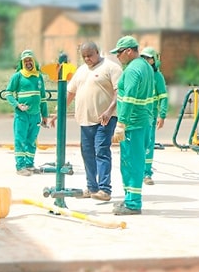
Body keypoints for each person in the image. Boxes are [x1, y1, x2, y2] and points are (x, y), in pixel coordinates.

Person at [60, 41, 121, 201]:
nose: (87, 59)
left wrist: (109, 111)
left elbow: (118, 93)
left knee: (101, 151)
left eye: (90, 55)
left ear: (97, 52)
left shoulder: (111, 68)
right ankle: (92, 187)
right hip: (85, 121)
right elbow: (70, 93)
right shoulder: (80, 71)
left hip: (104, 120)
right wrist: (58, 112)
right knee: (87, 154)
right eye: (84, 56)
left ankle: (104, 189)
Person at [109, 35, 154, 216]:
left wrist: (121, 123)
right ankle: (129, 199)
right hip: (142, 121)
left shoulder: (133, 70)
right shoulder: (145, 66)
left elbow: (128, 99)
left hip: (133, 123)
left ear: (129, 51)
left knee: (131, 162)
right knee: (132, 161)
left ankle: (133, 203)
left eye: (119, 53)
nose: (117, 56)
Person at [3, 49, 49, 175]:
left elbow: (43, 98)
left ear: (34, 61)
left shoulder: (39, 77)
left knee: (32, 141)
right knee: (20, 140)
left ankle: (29, 164)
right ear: (22, 62)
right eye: (25, 60)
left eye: (30, 59)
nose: (28, 62)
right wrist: (17, 105)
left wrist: (45, 115)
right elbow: (7, 93)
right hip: (22, 116)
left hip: (36, 116)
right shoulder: (17, 76)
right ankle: (20, 167)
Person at [140, 46, 169, 186]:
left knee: (148, 145)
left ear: (154, 60)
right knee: (136, 145)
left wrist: (162, 115)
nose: (146, 60)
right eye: (143, 57)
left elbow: (163, 96)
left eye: (149, 58)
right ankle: (137, 172)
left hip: (150, 117)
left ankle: (147, 173)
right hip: (137, 116)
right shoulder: (138, 73)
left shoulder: (158, 77)